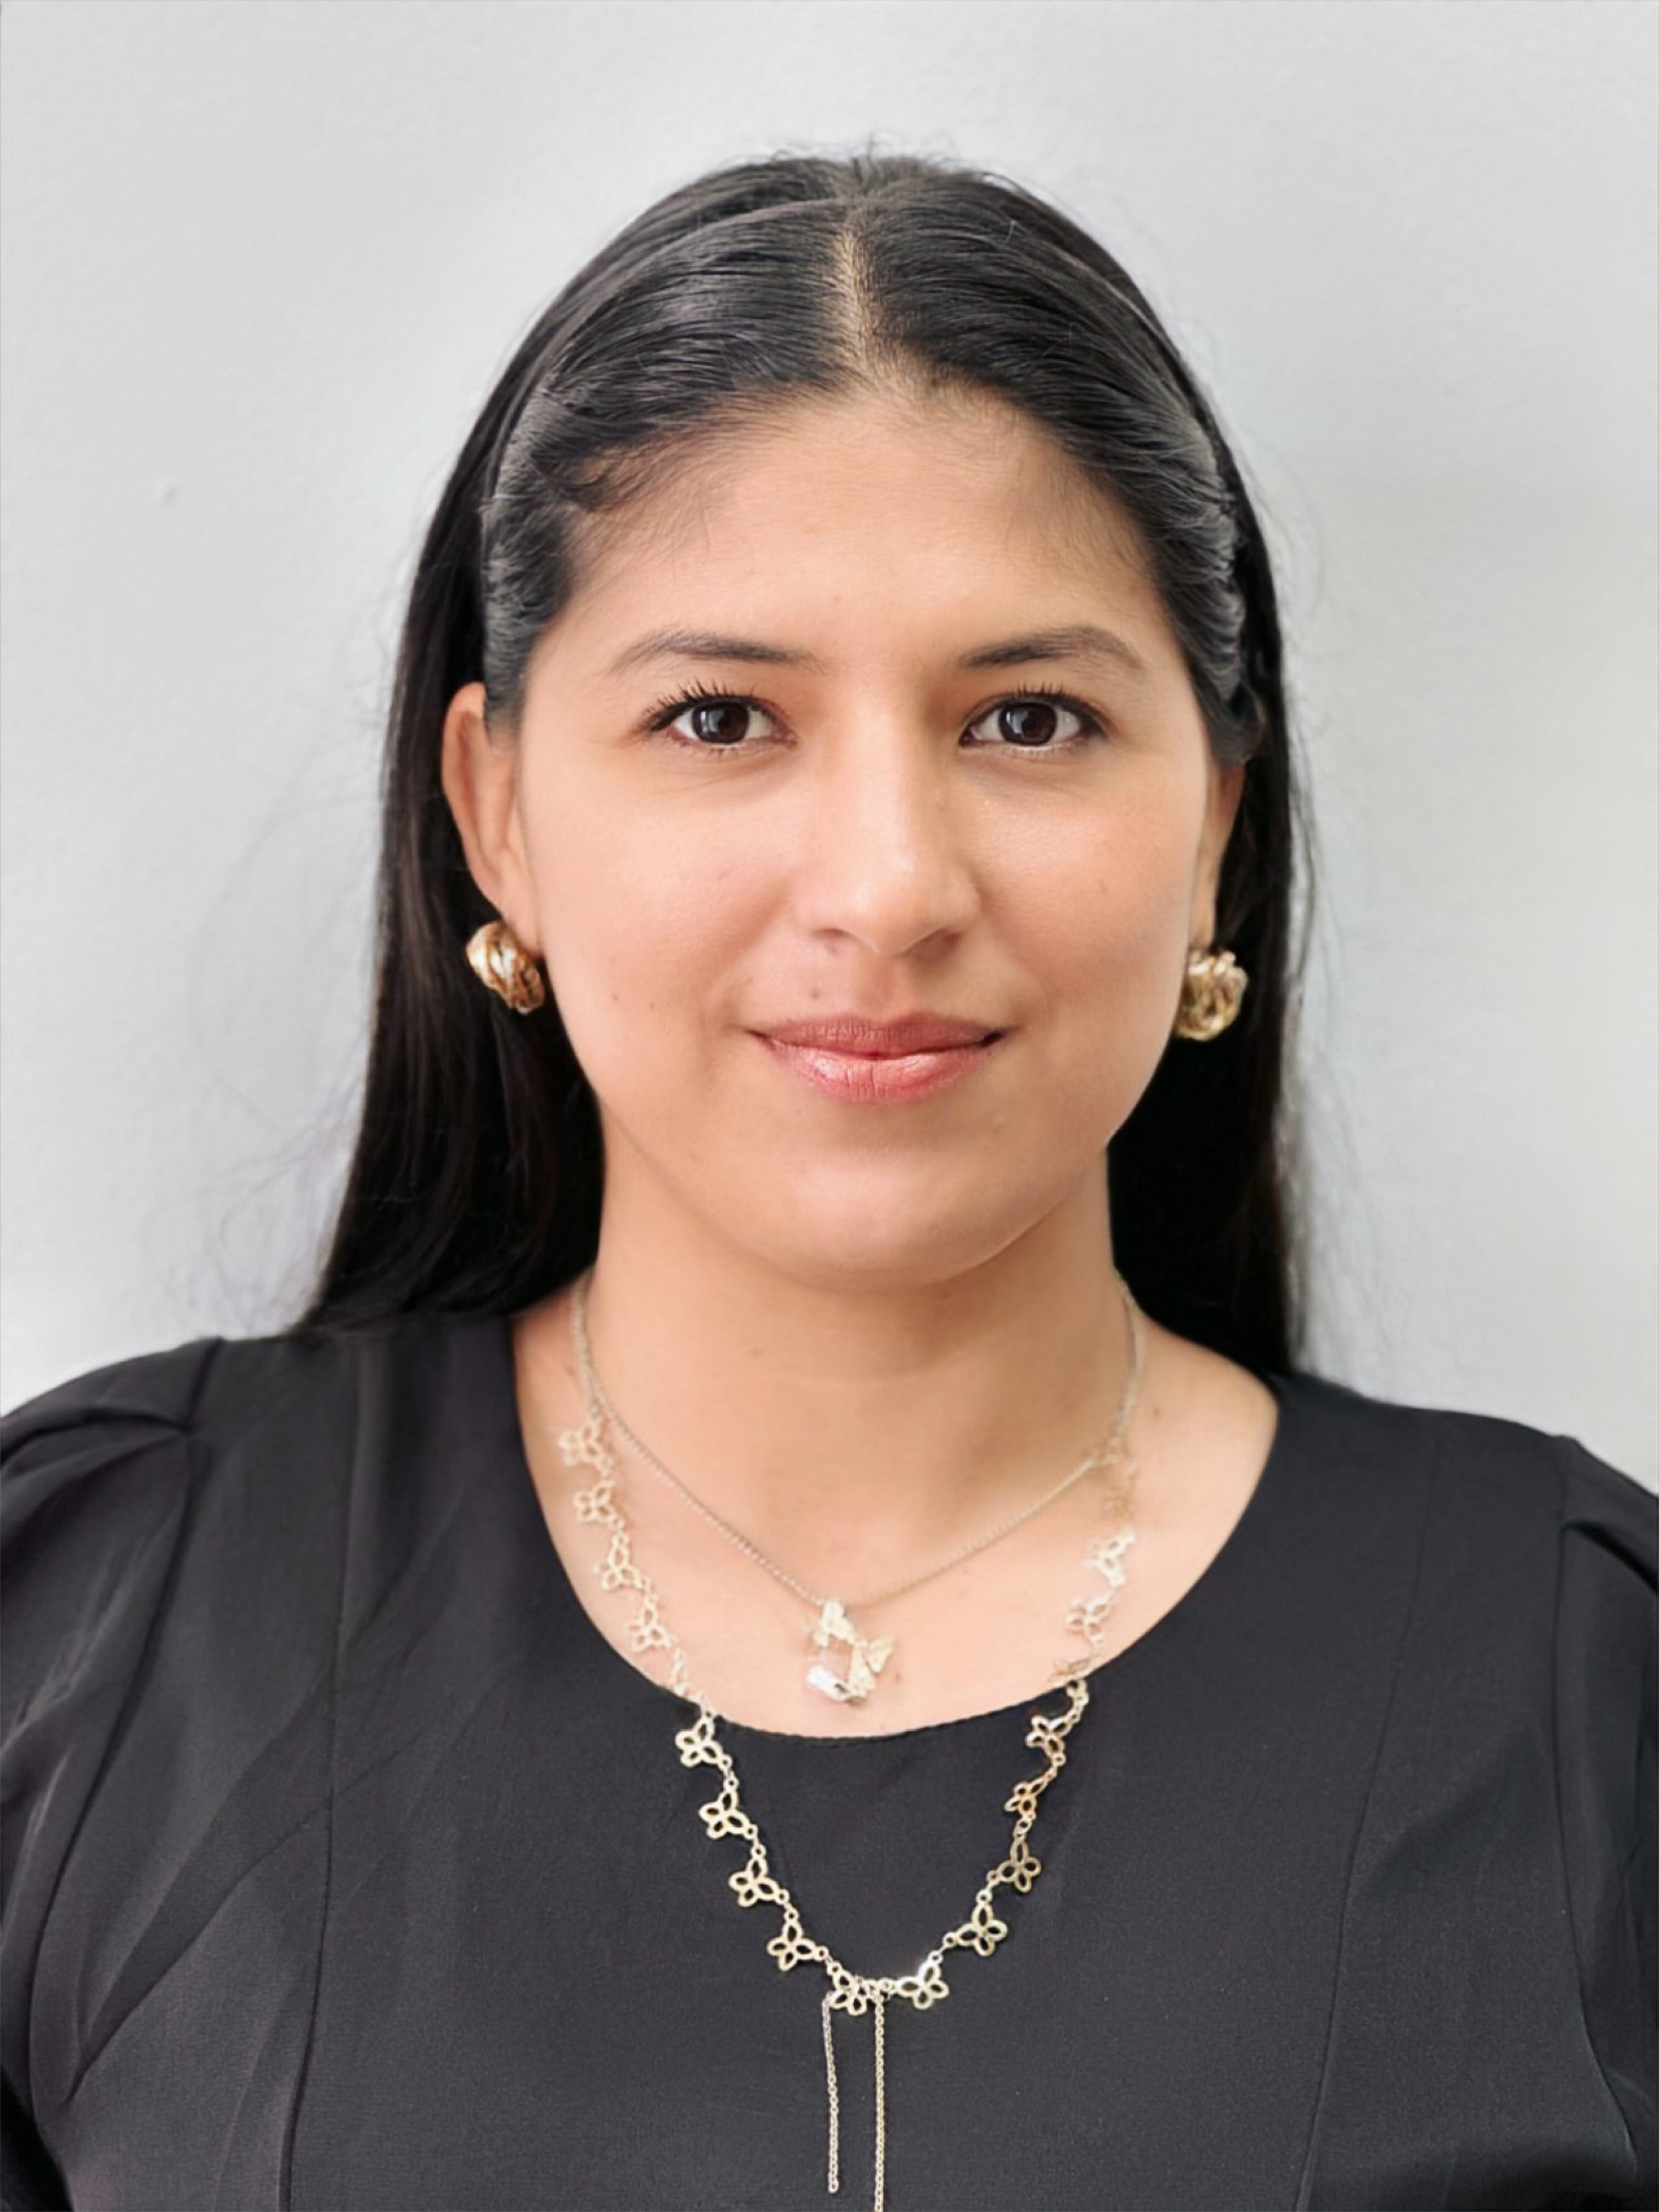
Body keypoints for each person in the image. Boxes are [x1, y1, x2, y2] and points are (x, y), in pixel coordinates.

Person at [2, 145, 1652, 2212]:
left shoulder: (1580, 1684)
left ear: (1216, 830)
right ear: (496, 813)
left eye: (1029, 719)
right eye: (720, 718)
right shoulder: (97, 1630)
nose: (887, 887)